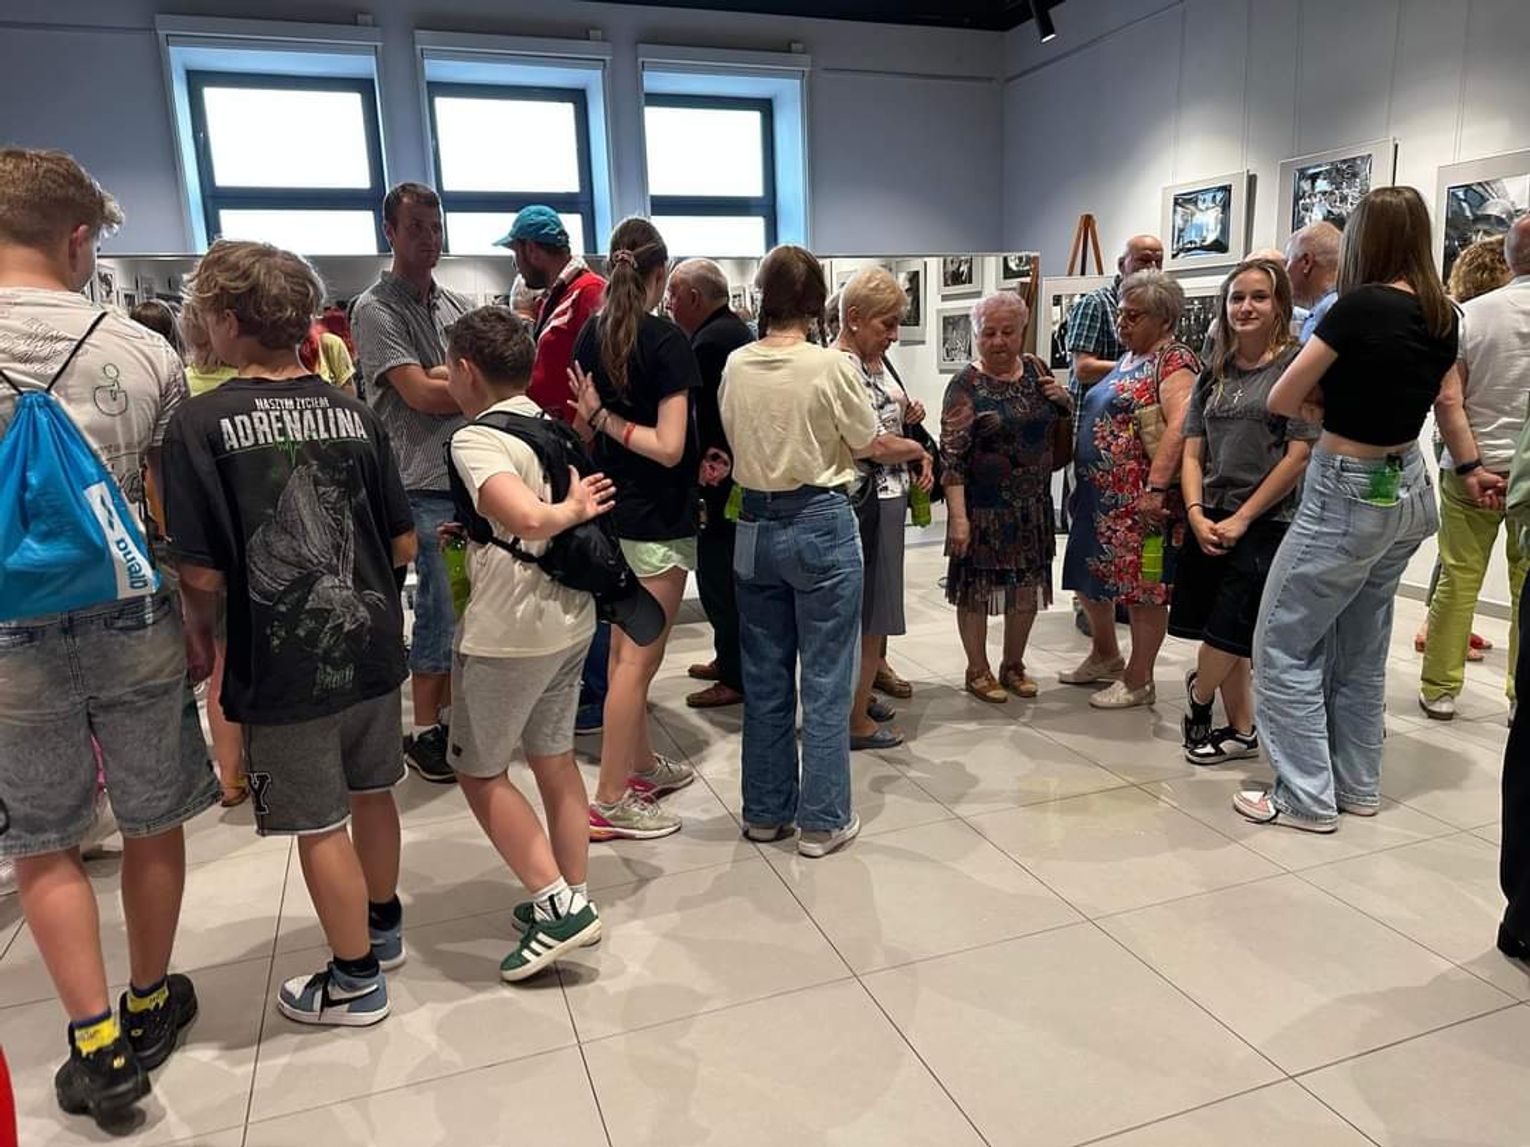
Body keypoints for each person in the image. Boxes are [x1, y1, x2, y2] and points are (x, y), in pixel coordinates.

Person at [0, 147, 216, 1124]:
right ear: (79, 237)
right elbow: (172, 506)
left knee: (43, 837)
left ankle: (96, 1044)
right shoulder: (144, 348)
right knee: (150, 815)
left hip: (9, 627)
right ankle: (149, 999)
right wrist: (200, 619)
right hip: (134, 608)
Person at [164, 239, 413, 1024]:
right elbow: (403, 541)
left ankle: (355, 978)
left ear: (225, 319)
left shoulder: (199, 423)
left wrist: (199, 637)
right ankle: (383, 926)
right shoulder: (354, 412)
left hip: (280, 664)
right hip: (373, 647)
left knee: (317, 821)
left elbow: (200, 571)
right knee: (373, 791)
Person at [1234, 186, 1503, 833]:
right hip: (1408, 488)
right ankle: (1357, 786)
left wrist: (1327, 405)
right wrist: (1471, 468)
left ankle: (1305, 796)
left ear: (1363, 238)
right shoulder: (1443, 314)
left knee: (1282, 644)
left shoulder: (1357, 308)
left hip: (1345, 490)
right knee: (1360, 648)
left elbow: (1282, 396)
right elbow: (1447, 403)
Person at [442, 306, 607, 979]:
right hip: (570, 618)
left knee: (479, 770)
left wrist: (562, 513)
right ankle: (574, 891)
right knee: (554, 758)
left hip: (510, 631)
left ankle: (556, 905)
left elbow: (528, 515)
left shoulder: (476, 438)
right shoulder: (547, 424)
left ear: (466, 369)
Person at [719, 245, 899, 858]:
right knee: (826, 676)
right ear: (817, 302)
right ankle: (823, 820)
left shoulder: (737, 364)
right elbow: (865, 440)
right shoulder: (828, 367)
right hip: (820, 517)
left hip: (753, 521)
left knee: (764, 672)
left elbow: (733, 434)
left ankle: (765, 812)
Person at [567, 218, 698, 842]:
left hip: (613, 512)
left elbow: (583, 429)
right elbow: (669, 447)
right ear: (660, 274)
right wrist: (607, 420)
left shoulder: (591, 336)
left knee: (625, 654)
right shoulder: (666, 341)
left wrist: (599, 420)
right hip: (657, 520)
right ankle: (611, 798)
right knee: (635, 662)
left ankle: (640, 767)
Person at [1170, 258, 1317, 764]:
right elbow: (1193, 452)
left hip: (1267, 520)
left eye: (1259, 297)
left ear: (1280, 305)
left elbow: (1298, 456)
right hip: (1209, 513)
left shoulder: (1296, 368)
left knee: (1231, 631)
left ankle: (1199, 696)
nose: (1246, 307)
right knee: (1219, 627)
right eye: (1237, 297)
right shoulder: (1213, 372)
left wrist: (1244, 517)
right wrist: (1195, 511)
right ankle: (1242, 730)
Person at [352, 182, 471, 785]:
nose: (429, 238)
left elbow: (490, 379)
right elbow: (421, 394)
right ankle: (425, 729)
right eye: (416, 227)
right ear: (391, 232)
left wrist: (446, 378)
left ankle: (449, 717)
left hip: (467, 476)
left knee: (465, 604)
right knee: (439, 608)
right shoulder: (375, 309)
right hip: (418, 483)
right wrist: (458, 380)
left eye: (435, 226)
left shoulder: (455, 307)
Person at [1061, 270, 1200, 708]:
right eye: (1121, 313)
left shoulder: (1173, 360)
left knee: (1143, 591)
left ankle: (1139, 678)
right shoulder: (1126, 358)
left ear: (1164, 319)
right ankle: (1105, 654)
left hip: (1139, 499)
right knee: (1087, 576)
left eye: (1133, 315)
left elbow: (1180, 425)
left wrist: (1156, 488)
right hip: (1099, 497)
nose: (1122, 322)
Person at [495, 206, 609, 735]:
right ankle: (583, 685)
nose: (516, 264)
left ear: (532, 249)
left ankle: (599, 691)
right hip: (554, 451)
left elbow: (599, 376)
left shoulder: (589, 294)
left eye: (516, 253)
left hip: (576, 456)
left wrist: (580, 440)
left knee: (588, 567)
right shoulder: (558, 298)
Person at [1419, 221, 1530, 722]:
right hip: (1528, 470)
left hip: (1472, 465)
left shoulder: (1471, 314)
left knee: (1458, 578)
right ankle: (1520, 694)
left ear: (1509, 257)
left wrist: (1470, 466)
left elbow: (1448, 399)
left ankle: (1440, 689)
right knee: (1526, 584)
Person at [942, 291, 1071, 703]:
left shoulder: (1036, 369)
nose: (998, 341)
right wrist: (958, 519)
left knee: (1026, 589)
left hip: (1032, 507)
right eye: (988, 333)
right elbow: (952, 458)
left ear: (1022, 331)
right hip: (984, 509)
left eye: (1008, 332)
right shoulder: (965, 384)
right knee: (976, 591)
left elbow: (1057, 430)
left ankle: (1013, 665)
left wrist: (1064, 402)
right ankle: (977, 669)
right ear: (976, 335)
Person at [835, 268, 933, 747]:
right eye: (887, 324)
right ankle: (855, 719)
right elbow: (871, 443)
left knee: (867, 611)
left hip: (879, 497)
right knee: (870, 614)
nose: (894, 335)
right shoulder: (846, 368)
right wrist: (916, 450)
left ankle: (856, 698)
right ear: (854, 317)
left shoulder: (866, 363)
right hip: (869, 499)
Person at [665, 257, 754, 710]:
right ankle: (728, 659)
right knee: (722, 577)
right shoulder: (735, 332)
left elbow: (701, 422)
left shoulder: (710, 342)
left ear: (695, 297)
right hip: (736, 477)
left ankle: (735, 675)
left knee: (720, 579)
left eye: (673, 295)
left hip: (720, 483)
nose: (668, 304)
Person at [1285, 221, 1341, 343]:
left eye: (1287, 262)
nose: (1285, 271)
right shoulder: (1346, 302)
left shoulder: (1324, 315)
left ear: (1306, 262)